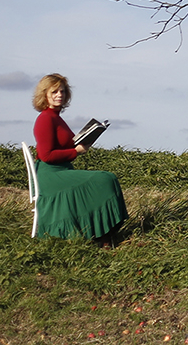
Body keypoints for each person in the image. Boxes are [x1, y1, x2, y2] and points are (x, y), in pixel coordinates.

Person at [31, 73, 127, 244]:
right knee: (105, 179)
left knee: (107, 178)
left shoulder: (56, 118)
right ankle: (102, 234)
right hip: (50, 174)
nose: (59, 95)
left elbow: (64, 146)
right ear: (44, 94)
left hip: (62, 170)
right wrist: (76, 151)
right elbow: (46, 155)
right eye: (54, 92)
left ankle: (103, 232)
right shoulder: (45, 119)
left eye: (62, 91)